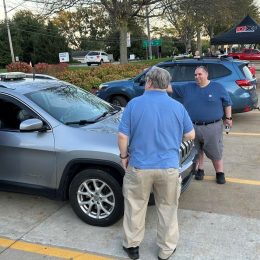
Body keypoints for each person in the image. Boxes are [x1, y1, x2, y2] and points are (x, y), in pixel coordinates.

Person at [118, 67, 195, 260]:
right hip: (168, 167)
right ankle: (166, 250)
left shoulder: (134, 104)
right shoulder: (178, 107)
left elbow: (122, 136)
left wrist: (124, 156)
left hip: (139, 166)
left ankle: (132, 246)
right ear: (166, 85)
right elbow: (190, 135)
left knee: (135, 206)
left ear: (150, 82)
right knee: (168, 208)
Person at [172, 66, 232, 184]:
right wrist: (155, 81)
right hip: (192, 126)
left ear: (206, 74)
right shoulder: (188, 87)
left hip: (213, 126)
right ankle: (200, 169)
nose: (197, 77)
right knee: (196, 150)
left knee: (215, 150)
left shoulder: (217, 87)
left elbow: (227, 103)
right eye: (195, 75)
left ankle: (220, 172)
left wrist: (228, 118)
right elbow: (169, 88)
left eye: (199, 74)